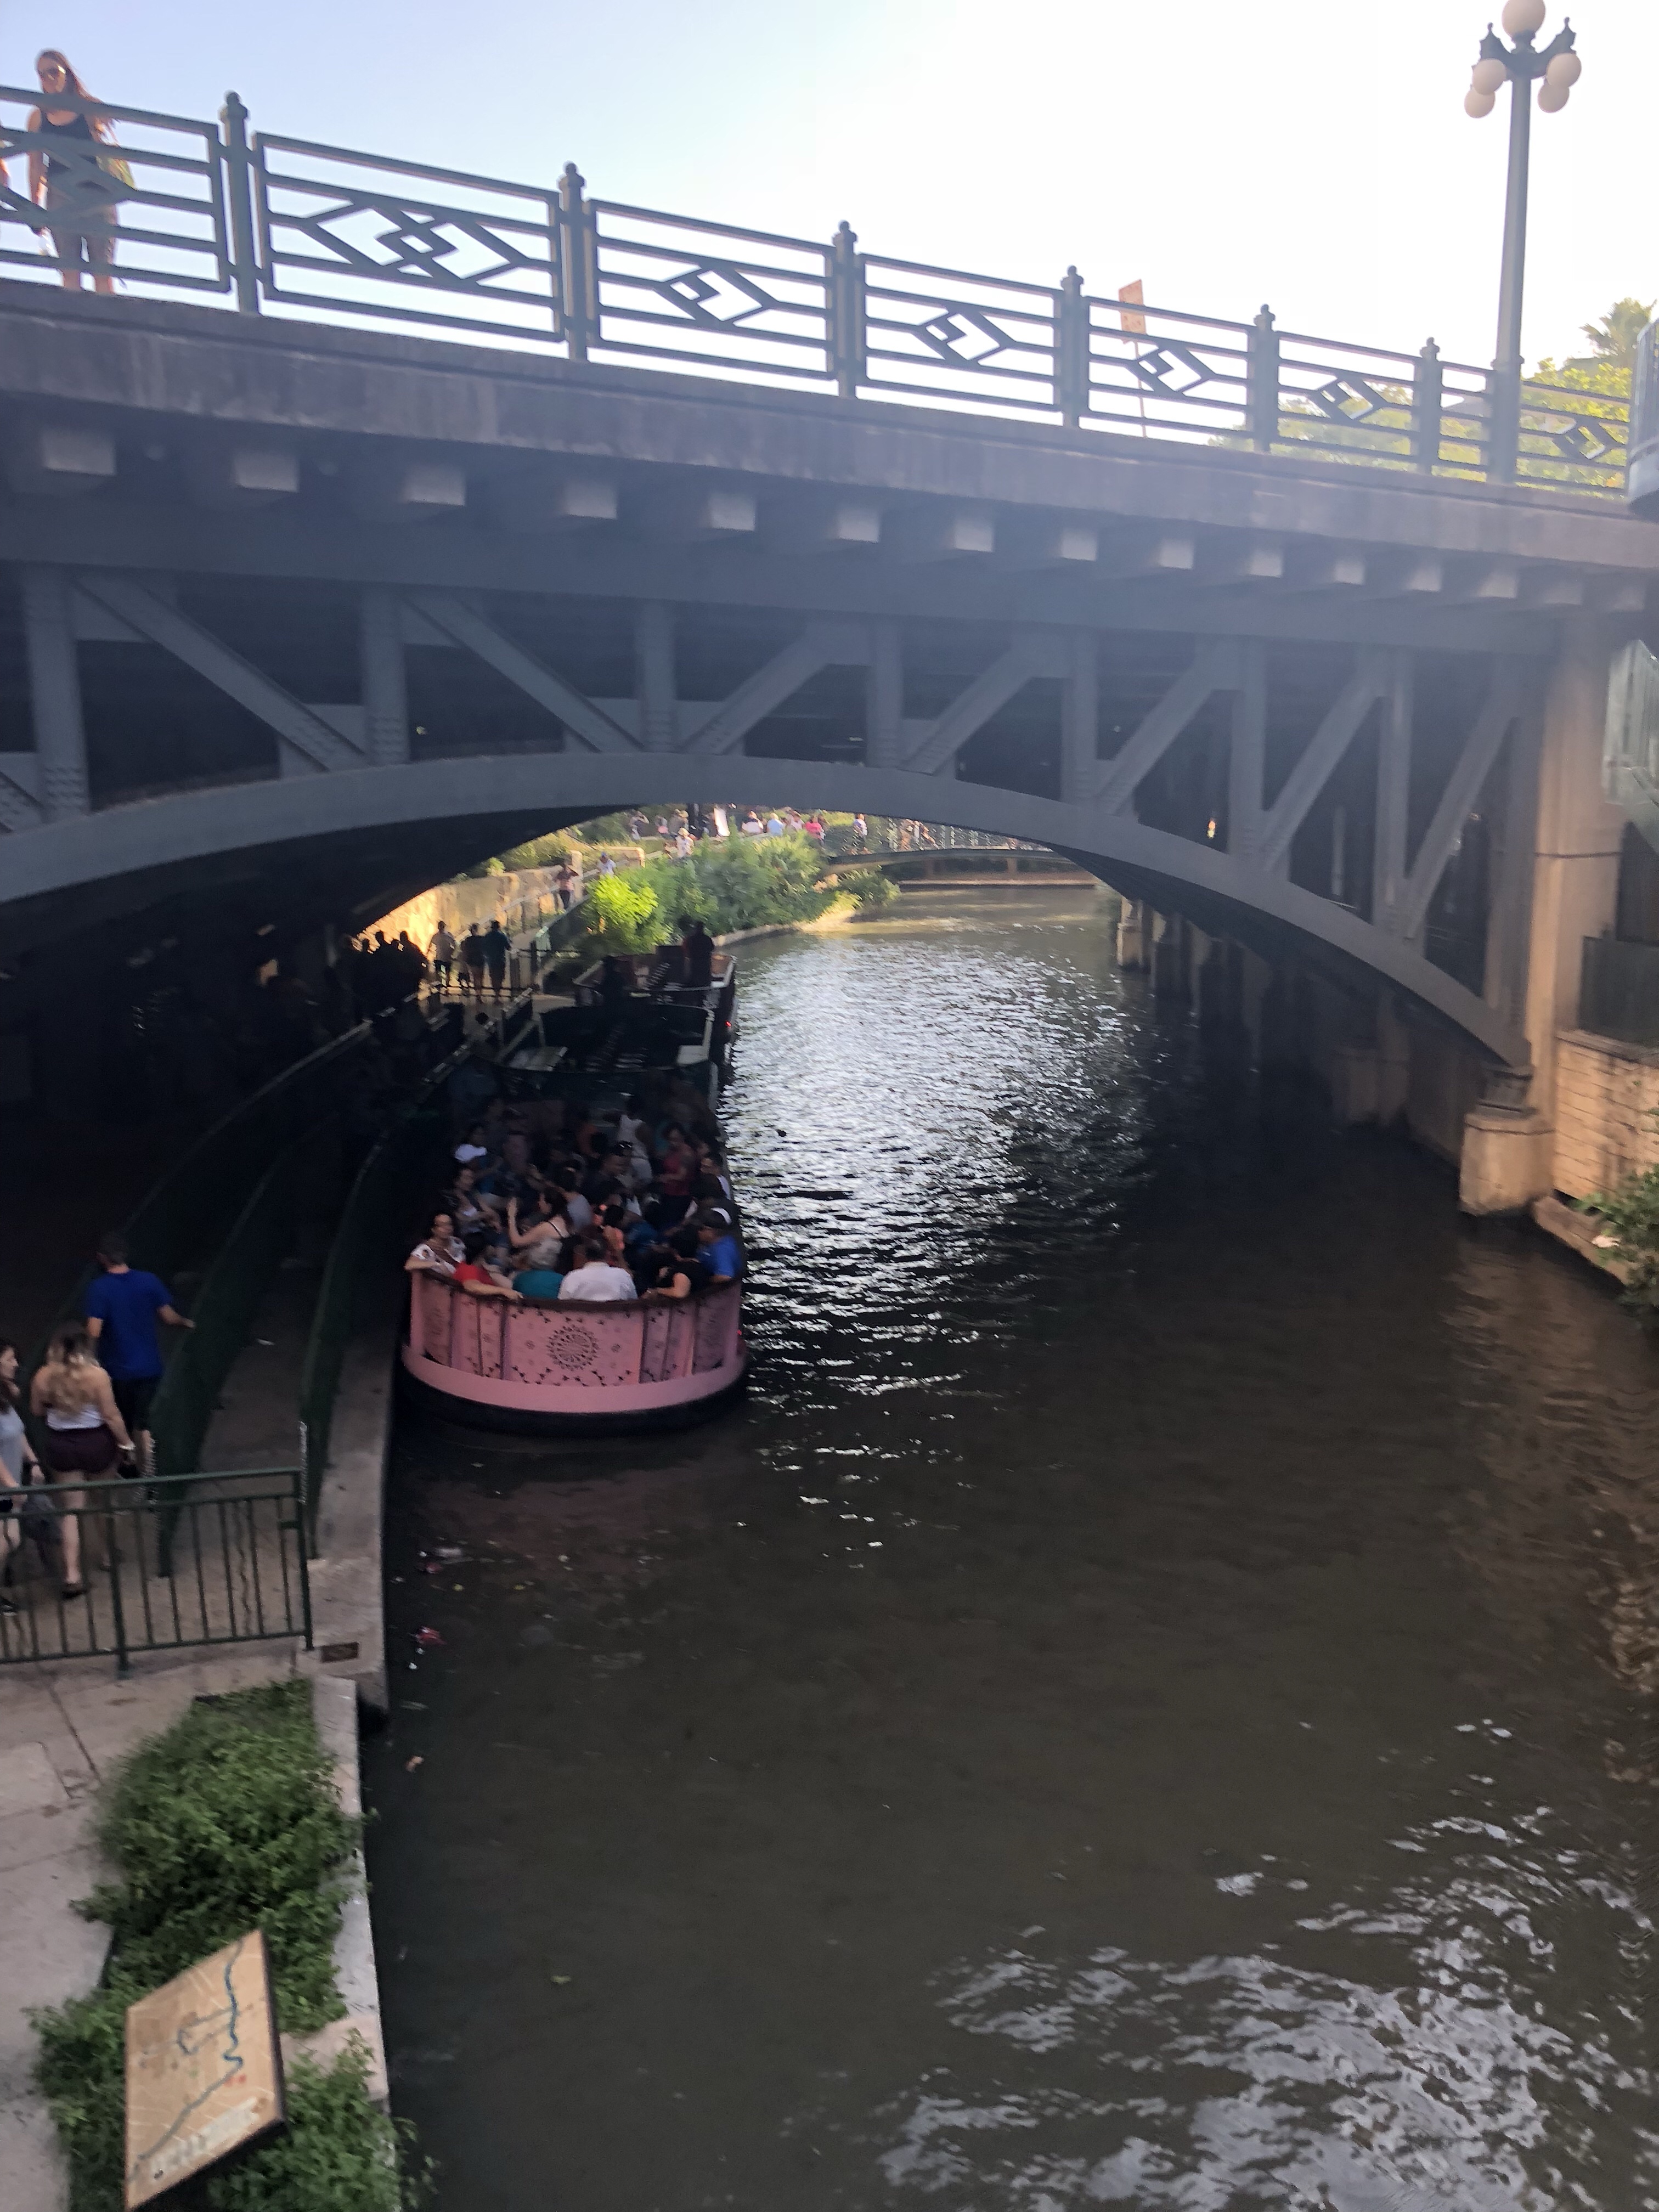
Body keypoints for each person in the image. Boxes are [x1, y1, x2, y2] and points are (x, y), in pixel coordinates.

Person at [31, 1327, 134, 1598]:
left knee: (72, 1509)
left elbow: (36, 1410)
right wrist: (126, 1443)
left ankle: (72, 1574)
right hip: (96, 1442)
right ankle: (107, 1555)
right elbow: (111, 1415)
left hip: (62, 1444)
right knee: (103, 1500)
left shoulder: (42, 1376)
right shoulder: (97, 1375)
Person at [83, 1232, 193, 1480]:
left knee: (120, 1419)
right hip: (150, 1366)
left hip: (117, 1369)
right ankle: (151, 1472)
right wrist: (186, 1322)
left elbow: (94, 1331)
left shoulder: (100, 1288)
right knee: (144, 1422)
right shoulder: (149, 1281)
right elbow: (169, 1317)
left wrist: (88, 1357)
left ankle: (129, 1465)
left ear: (102, 1258)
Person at [28, 52, 123, 297]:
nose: (48, 79)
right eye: (42, 74)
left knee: (103, 275)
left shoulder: (89, 108)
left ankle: (105, 321)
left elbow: (108, 150)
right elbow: (35, 164)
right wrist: (34, 206)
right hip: (60, 199)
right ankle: (72, 319)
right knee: (70, 275)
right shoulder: (37, 117)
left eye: (53, 72)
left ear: (67, 74)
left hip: (97, 197)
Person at [0, 1339, 47, 1613]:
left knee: (11, 1538)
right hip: (6, 1486)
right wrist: (10, 1484)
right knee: (9, 1539)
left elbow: (17, 1431)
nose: (15, 1364)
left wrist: (33, 1461)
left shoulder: (7, 1396)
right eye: (9, 1359)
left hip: (12, 1482)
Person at [557, 1240, 638, 1302]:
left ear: (585, 1255)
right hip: (617, 1320)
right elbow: (633, 1305)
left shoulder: (572, 1278)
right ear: (607, 1254)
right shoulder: (623, 1276)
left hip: (580, 1320)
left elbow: (562, 1308)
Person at [453, 1231, 520, 1301]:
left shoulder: (480, 1268)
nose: (493, 1248)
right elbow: (472, 1287)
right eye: (491, 1246)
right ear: (485, 1249)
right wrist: (503, 1291)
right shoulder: (468, 1269)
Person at [407, 1212, 463, 1277]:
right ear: (433, 1229)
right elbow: (409, 1265)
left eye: (449, 1224)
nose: (447, 1228)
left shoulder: (457, 1242)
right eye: (442, 1225)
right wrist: (437, 1264)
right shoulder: (426, 1248)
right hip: (445, 1282)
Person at [697, 1218, 743, 1285]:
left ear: (712, 1232)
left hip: (724, 1286)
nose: (699, 1232)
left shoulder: (722, 1249)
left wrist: (704, 1281)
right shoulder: (708, 1242)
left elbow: (725, 1276)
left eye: (701, 1229)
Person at [681, 919, 715, 991]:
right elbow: (712, 948)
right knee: (705, 979)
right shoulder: (707, 939)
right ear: (703, 929)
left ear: (695, 928)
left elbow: (685, 949)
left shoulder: (690, 939)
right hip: (705, 962)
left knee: (694, 978)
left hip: (694, 962)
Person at [482, 918, 511, 1001]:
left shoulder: (487, 936)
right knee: (500, 977)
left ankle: (496, 994)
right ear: (499, 927)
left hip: (491, 960)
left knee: (493, 977)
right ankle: (498, 994)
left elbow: (483, 948)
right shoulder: (502, 936)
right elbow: (508, 947)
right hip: (500, 960)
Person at [459, 923, 487, 997]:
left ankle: (477, 993)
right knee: (480, 977)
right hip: (481, 959)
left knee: (475, 977)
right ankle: (480, 993)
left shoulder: (468, 940)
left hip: (472, 960)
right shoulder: (482, 939)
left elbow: (466, 950)